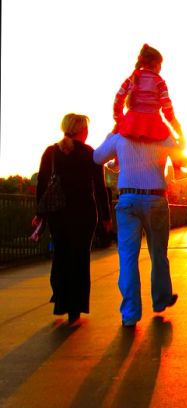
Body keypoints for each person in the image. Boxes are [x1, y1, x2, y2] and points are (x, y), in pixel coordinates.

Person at [93, 131, 179, 327]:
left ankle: (130, 314)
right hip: (156, 198)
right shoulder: (161, 134)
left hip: (128, 199)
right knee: (158, 254)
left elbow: (97, 157)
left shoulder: (121, 136)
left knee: (128, 258)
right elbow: (180, 156)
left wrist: (111, 136)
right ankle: (161, 299)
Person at [33, 113, 111, 325]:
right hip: (84, 213)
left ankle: (61, 299)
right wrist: (106, 216)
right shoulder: (90, 153)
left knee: (61, 255)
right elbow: (99, 187)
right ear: (81, 130)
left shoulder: (52, 152)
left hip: (58, 213)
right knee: (80, 258)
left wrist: (40, 214)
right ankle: (75, 307)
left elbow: (42, 183)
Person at [112, 43, 187, 180]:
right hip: (153, 121)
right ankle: (178, 169)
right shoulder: (159, 82)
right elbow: (167, 110)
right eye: (160, 65)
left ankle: (116, 162)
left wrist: (119, 118)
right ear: (155, 64)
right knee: (170, 142)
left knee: (115, 135)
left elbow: (118, 98)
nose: (161, 69)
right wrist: (179, 131)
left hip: (131, 120)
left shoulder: (131, 79)